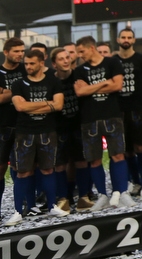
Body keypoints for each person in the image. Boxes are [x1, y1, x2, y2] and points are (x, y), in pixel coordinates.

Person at [73, 36, 135, 210]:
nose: (79, 55)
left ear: (91, 48)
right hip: (89, 119)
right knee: (94, 159)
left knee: (118, 155)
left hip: (112, 116)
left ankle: (122, 193)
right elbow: (80, 92)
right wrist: (104, 82)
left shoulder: (112, 63)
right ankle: (102, 195)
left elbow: (117, 86)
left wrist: (90, 88)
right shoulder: (79, 70)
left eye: (82, 51)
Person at [5, 49, 66, 225]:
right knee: (23, 172)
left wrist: (31, 105)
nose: (28, 66)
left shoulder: (53, 81)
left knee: (48, 169)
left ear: (41, 63)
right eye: (26, 63)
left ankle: (52, 205)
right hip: (25, 132)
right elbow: (20, 107)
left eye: (32, 63)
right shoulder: (18, 84)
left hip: (47, 131)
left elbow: (59, 105)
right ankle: (18, 211)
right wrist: (48, 104)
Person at [116, 28, 142, 201]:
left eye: (129, 37)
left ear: (134, 40)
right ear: (118, 40)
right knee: (126, 150)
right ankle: (136, 181)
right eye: (123, 37)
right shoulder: (112, 61)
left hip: (139, 109)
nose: (126, 40)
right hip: (118, 110)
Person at [52, 47, 84, 214]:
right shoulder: (51, 80)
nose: (66, 60)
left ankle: (84, 196)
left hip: (79, 124)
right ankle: (63, 197)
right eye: (61, 59)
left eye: (67, 57)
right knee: (60, 164)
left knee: (81, 161)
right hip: (59, 127)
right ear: (54, 64)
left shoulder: (79, 74)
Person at [0, 38, 26, 209]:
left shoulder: (27, 69)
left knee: (22, 170)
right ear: (6, 52)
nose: (20, 55)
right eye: (16, 51)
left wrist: (7, 93)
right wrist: (18, 91)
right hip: (2, 127)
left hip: (24, 126)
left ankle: (22, 207)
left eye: (22, 51)